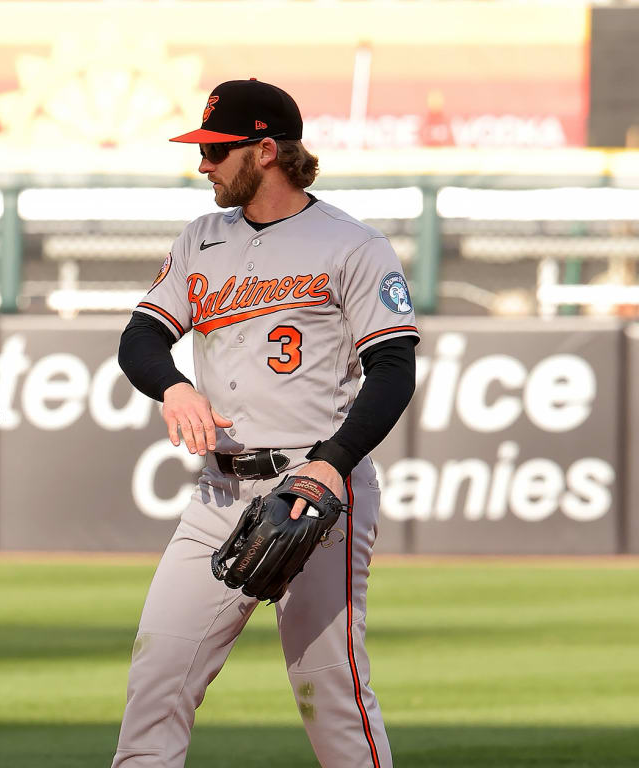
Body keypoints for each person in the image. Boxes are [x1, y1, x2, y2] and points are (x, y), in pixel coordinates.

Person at [112, 79, 418, 767]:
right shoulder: (201, 238)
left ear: (269, 150)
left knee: (327, 685)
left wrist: (331, 461)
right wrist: (173, 388)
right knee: (158, 673)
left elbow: (394, 370)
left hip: (314, 492)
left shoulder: (352, 245)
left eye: (217, 150)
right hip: (219, 493)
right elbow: (140, 339)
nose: (204, 165)